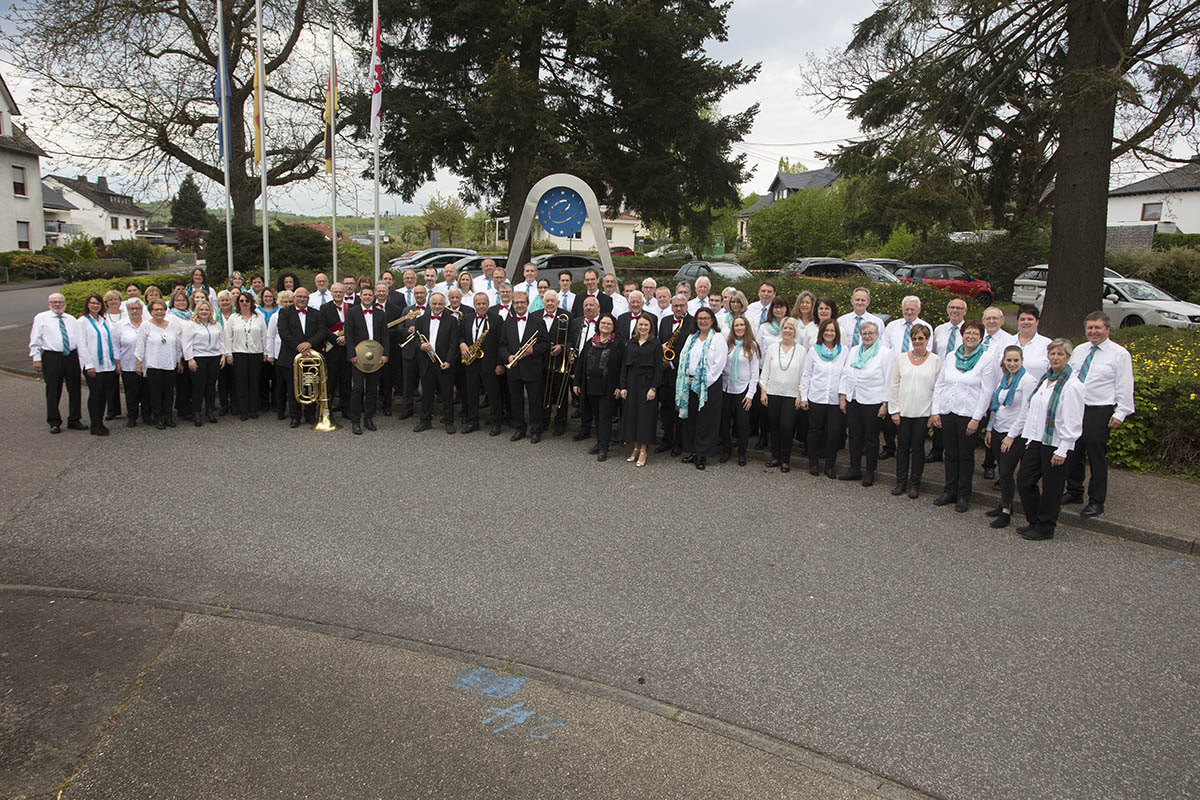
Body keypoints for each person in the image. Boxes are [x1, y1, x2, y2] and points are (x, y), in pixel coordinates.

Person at [1063, 311, 1135, 518]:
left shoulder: (1119, 354)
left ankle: (1096, 500)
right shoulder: (1079, 350)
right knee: (1073, 451)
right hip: (1075, 407)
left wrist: (1121, 412)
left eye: (1097, 328)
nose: (1093, 332)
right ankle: (1074, 491)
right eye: (1090, 328)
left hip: (1099, 409)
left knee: (1095, 456)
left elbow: (1124, 384)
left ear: (1107, 329)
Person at [1017, 339, 1086, 540]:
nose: (1055, 358)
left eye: (1060, 354)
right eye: (1052, 354)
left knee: (1052, 488)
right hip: (1037, 439)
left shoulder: (1072, 385)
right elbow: (1035, 411)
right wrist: (1030, 437)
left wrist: (1063, 448)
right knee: (1024, 480)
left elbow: (1073, 420)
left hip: (1056, 443)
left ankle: (1046, 526)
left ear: (1068, 357)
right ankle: (1035, 519)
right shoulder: (1045, 379)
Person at [930, 319, 995, 512]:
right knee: (950, 454)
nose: (971, 336)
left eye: (975, 334)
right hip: (948, 411)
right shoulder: (951, 356)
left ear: (981, 337)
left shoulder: (986, 358)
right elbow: (940, 384)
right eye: (968, 333)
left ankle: (964, 494)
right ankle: (950, 491)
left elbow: (986, 391)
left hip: (969, 414)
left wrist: (977, 418)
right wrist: (936, 411)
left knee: (965, 456)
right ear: (962, 335)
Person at [984, 345, 1038, 527]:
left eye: (1016, 360)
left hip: (1015, 434)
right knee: (1002, 470)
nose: (1012, 364)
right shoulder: (1005, 378)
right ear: (1004, 361)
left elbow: (1026, 411)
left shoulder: (1027, 381)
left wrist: (1011, 436)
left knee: (1006, 472)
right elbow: (996, 405)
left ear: (1022, 361)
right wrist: (990, 428)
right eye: (1009, 360)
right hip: (999, 428)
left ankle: (1007, 511)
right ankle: (1004, 503)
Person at [887, 323, 941, 498]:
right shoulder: (902, 358)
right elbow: (894, 384)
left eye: (921, 338)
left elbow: (939, 389)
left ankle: (915, 484)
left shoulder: (936, 360)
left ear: (927, 340)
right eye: (915, 338)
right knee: (902, 448)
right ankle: (900, 482)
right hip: (903, 412)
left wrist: (934, 412)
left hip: (923, 414)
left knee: (918, 449)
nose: (918, 341)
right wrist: (894, 410)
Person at [838, 320, 893, 486]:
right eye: (864, 334)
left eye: (870, 333)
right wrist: (843, 397)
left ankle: (870, 471)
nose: (867, 336)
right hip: (854, 399)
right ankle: (854, 469)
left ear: (877, 335)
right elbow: (845, 374)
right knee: (854, 436)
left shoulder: (885, 353)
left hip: (873, 401)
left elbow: (889, 379)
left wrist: (885, 403)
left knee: (871, 438)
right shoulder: (854, 351)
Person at [676, 307, 727, 470]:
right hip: (688, 384)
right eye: (700, 318)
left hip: (708, 387)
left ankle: (702, 455)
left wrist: (699, 381)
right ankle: (692, 451)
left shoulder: (718, 339)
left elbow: (718, 365)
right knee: (691, 420)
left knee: (706, 421)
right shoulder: (692, 337)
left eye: (706, 318)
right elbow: (684, 358)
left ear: (712, 320)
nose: (703, 321)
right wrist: (687, 380)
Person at [499, 290, 550, 442]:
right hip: (514, 368)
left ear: (528, 304)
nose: (519, 305)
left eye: (522, 302)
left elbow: (546, 344)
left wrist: (533, 350)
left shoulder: (538, 321)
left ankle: (536, 430)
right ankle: (519, 428)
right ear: (513, 305)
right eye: (516, 303)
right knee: (516, 400)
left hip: (532, 367)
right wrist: (508, 356)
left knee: (535, 401)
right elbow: (501, 345)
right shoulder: (507, 323)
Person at [800, 319, 848, 478]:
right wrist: (804, 396)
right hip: (816, 397)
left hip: (835, 400)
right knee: (814, 431)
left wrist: (843, 397)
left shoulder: (844, 351)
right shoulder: (814, 351)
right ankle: (813, 463)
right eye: (826, 330)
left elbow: (846, 376)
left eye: (832, 331)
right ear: (822, 333)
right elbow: (806, 374)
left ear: (836, 334)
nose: (829, 333)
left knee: (833, 433)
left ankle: (829, 465)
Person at [572, 313, 623, 461]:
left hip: (608, 387)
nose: (605, 326)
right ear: (598, 325)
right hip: (590, 385)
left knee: (605, 417)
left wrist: (620, 386)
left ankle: (604, 448)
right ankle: (600, 442)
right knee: (596, 416)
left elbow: (621, 368)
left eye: (609, 324)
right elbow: (581, 363)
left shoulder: (618, 344)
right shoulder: (590, 342)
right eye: (603, 323)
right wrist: (577, 383)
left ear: (613, 327)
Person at [759, 318, 805, 472]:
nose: (787, 331)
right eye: (785, 328)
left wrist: (800, 394)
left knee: (787, 427)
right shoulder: (772, 348)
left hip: (791, 395)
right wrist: (763, 391)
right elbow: (765, 371)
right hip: (772, 392)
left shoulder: (801, 350)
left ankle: (786, 459)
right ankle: (775, 457)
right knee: (774, 426)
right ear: (781, 330)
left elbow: (804, 375)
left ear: (795, 331)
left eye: (791, 328)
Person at [277, 287, 327, 428]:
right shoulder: (284, 312)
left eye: (305, 297)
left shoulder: (316, 314)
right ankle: (295, 416)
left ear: (308, 299)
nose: (302, 299)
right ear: (294, 298)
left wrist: (309, 343)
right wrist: (299, 346)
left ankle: (310, 415)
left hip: (311, 356)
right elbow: (283, 332)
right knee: (293, 389)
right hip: (291, 356)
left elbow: (322, 331)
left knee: (310, 385)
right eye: (299, 296)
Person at [344, 284, 390, 435]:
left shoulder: (380, 313)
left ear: (374, 296)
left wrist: (385, 354)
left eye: (370, 295)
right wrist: (351, 354)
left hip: (376, 356)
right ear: (360, 296)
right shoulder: (352, 312)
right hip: (358, 356)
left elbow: (385, 335)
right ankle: (355, 420)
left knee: (372, 389)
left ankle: (369, 418)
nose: (368, 297)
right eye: (365, 295)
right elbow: (348, 335)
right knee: (357, 388)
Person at [619, 315, 663, 468]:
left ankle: (644, 450)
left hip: (647, 384)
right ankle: (636, 448)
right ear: (636, 326)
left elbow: (658, 367)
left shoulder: (655, 343)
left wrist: (653, 388)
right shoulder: (630, 343)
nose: (643, 327)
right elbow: (624, 366)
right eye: (640, 325)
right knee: (633, 417)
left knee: (645, 418)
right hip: (632, 383)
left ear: (650, 327)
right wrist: (623, 386)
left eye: (646, 325)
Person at [413, 291, 460, 434]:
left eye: (440, 303)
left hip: (444, 363)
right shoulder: (421, 320)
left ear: (445, 305)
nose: (437, 306)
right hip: (427, 362)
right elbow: (416, 339)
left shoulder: (452, 320)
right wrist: (421, 346)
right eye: (434, 303)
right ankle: (425, 420)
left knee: (447, 394)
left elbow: (454, 344)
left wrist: (449, 361)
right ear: (429, 304)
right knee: (427, 393)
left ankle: (449, 421)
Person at [928, 297, 968, 463]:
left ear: (965, 311)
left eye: (959, 308)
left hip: (958, 378)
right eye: (952, 307)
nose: (955, 311)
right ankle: (936, 450)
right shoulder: (939, 330)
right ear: (947, 310)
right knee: (939, 413)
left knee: (953, 415)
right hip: (941, 377)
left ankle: (953, 451)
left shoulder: (968, 331)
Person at [716, 315, 759, 466]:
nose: (739, 328)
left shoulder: (752, 346)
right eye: (736, 326)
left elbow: (755, 374)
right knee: (724, 422)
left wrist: (750, 395)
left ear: (746, 327)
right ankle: (726, 450)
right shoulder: (727, 344)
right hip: (726, 388)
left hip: (743, 389)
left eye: (742, 325)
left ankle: (742, 453)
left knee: (742, 424)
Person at [135, 298, 184, 429]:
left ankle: (168, 416)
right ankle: (158, 417)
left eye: (161, 309)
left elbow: (177, 345)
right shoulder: (145, 326)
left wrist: (178, 361)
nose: (159, 312)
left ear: (165, 311)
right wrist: (138, 363)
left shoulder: (172, 326)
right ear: (151, 311)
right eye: (156, 309)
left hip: (170, 363)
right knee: (156, 393)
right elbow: (140, 346)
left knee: (169, 392)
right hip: (153, 364)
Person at [460, 291, 503, 435]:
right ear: (474, 305)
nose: (481, 306)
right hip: (471, 362)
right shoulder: (467, 318)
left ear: (488, 304)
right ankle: (473, 421)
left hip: (489, 363)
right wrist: (462, 344)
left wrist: (499, 364)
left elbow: (500, 344)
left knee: (493, 394)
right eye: (478, 304)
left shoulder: (496, 320)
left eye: (484, 303)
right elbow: (460, 335)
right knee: (471, 393)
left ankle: (496, 422)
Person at [76, 293, 119, 435]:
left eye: (98, 303)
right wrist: (88, 365)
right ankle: (95, 424)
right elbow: (81, 345)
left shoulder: (103, 320)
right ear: (87, 305)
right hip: (93, 365)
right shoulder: (82, 321)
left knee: (105, 394)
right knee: (96, 394)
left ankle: (100, 422)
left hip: (107, 364)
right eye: (93, 303)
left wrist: (116, 362)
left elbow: (111, 342)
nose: (95, 306)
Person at [656, 295, 694, 456]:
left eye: (682, 305)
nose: (678, 309)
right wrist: (661, 353)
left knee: (681, 410)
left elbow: (692, 349)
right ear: (671, 306)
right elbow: (660, 341)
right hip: (665, 373)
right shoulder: (665, 321)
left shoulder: (693, 322)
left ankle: (679, 443)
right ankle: (667, 439)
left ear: (686, 306)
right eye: (676, 305)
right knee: (666, 408)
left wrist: (672, 363)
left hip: (681, 372)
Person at [183, 300, 230, 426]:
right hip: (198, 358)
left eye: (207, 310)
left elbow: (222, 341)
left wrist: (223, 355)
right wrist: (190, 359)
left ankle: (210, 411)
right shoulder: (191, 325)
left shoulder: (216, 325)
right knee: (199, 386)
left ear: (211, 312)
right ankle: (196, 412)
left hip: (214, 358)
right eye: (202, 309)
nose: (204, 312)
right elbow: (186, 343)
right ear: (197, 311)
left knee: (210, 386)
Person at [226, 291, 267, 420]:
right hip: (239, 353)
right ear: (238, 303)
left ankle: (253, 410)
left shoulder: (259, 317)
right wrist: (228, 354)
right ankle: (243, 410)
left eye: (247, 301)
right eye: (241, 301)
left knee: (254, 382)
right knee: (241, 383)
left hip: (256, 353)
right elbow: (228, 337)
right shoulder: (233, 318)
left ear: (251, 302)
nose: (244, 303)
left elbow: (264, 336)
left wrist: (266, 352)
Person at [538, 290, 571, 436]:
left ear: (558, 302)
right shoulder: (535, 316)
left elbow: (572, 339)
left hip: (559, 362)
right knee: (543, 393)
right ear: (543, 302)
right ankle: (544, 420)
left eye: (553, 301)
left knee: (560, 394)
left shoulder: (567, 316)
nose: (550, 303)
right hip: (541, 361)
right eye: (547, 301)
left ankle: (560, 423)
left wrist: (562, 347)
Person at [318, 284, 351, 415]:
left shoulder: (352, 308)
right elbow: (322, 327)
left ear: (344, 293)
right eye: (335, 292)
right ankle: (327, 411)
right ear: (331, 293)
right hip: (331, 349)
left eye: (340, 292)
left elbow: (354, 326)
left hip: (347, 349)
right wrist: (335, 339)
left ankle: (346, 409)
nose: (338, 294)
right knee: (330, 381)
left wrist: (346, 338)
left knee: (346, 381)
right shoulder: (324, 308)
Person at [397, 285, 428, 419]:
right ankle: (407, 408)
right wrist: (406, 330)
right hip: (409, 350)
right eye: (417, 293)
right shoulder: (407, 310)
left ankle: (426, 410)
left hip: (425, 351)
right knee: (408, 382)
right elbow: (399, 327)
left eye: (422, 293)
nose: (419, 295)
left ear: (426, 294)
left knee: (427, 382)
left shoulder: (432, 309)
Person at [1012, 304, 1051, 381]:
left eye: (1030, 319)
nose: (1026, 322)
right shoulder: (1007, 341)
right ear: (1018, 322)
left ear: (1037, 322)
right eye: (1022, 319)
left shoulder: (1047, 344)